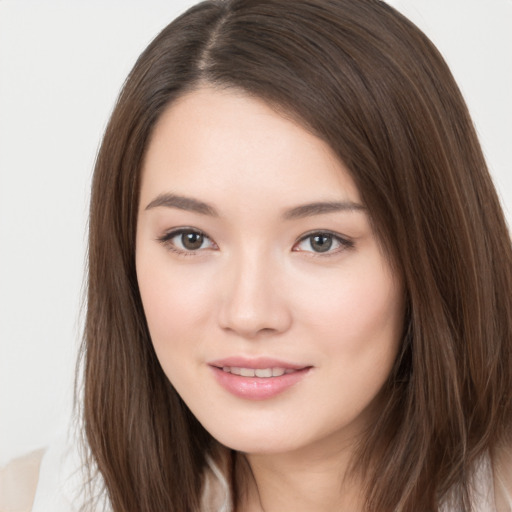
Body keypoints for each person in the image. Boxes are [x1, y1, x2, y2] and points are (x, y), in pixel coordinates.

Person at [3, 0, 511, 510]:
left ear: (435, 251)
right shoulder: (32, 498)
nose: (248, 314)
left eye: (320, 241)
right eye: (191, 238)